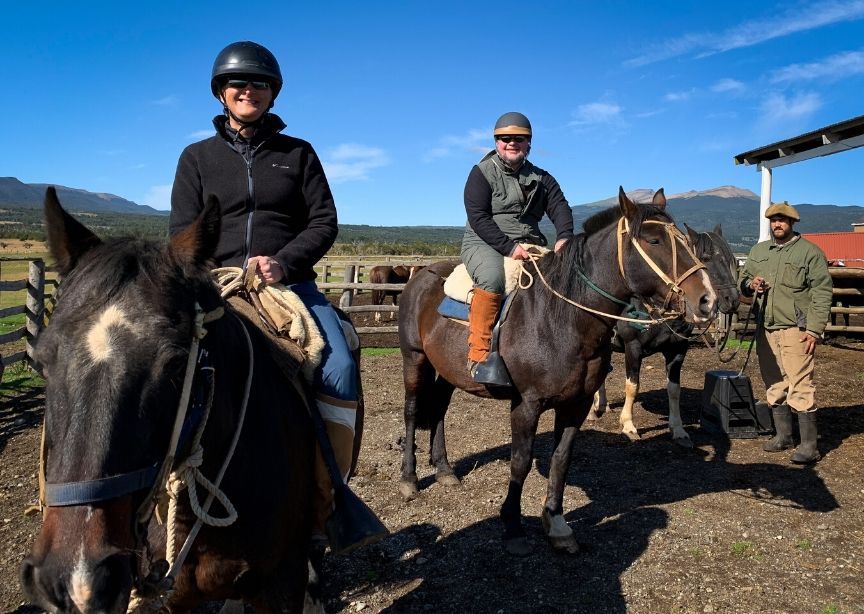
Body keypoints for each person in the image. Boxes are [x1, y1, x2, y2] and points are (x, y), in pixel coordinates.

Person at [169, 40, 374, 549]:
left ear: (272, 93)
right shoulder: (196, 158)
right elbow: (182, 229)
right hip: (217, 283)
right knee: (159, 360)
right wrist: (216, 269)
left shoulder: (298, 154)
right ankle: (157, 490)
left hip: (289, 283)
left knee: (340, 365)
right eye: (238, 83)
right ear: (221, 93)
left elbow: (325, 220)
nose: (248, 91)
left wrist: (283, 260)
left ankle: (330, 498)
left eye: (259, 83)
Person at [461, 112, 574, 385]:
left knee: (569, 278)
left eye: (519, 139)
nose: (512, 143)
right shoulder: (481, 173)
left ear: (529, 143)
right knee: (493, 277)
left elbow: (559, 207)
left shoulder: (542, 178)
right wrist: (509, 248)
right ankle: (478, 355)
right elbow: (478, 216)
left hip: (531, 241)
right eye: (505, 139)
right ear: (497, 142)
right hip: (485, 240)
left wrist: (564, 237)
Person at [739, 202, 833, 464]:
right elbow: (742, 281)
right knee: (774, 382)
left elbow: (822, 293)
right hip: (765, 328)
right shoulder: (759, 251)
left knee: (801, 384)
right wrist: (751, 283)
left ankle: (809, 446)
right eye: (773, 220)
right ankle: (783, 436)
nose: (777, 224)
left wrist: (814, 329)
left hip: (797, 329)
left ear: (792, 223)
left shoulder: (809, 253)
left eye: (782, 220)